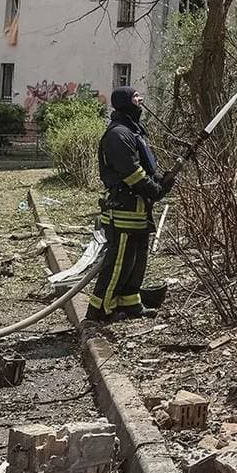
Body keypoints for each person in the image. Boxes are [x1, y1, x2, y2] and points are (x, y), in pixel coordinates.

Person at [90, 86, 172, 320]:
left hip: (138, 210)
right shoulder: (118, 135)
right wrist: (154, 189)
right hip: (123, 210)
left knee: (136, 262)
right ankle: (101, 310)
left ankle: (130, 304)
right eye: (136, 97)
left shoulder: (133, 131)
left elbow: (145, 167)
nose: (140, 100)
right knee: (119, 264)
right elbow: (131, 172)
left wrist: (160, 181)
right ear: (125, 102)